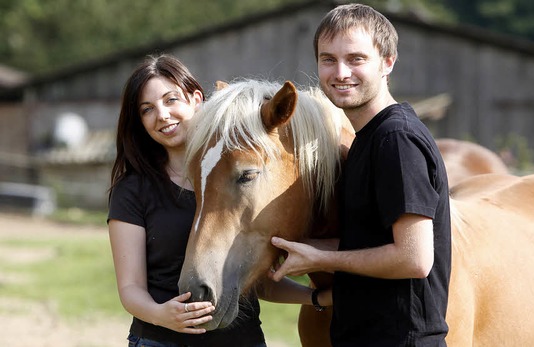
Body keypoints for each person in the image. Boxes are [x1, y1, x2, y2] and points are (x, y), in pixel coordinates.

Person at [108, 54, 328, 347]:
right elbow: (130, 288)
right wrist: (163, 315)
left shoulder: (231, 179)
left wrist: (317, 297)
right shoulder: (133, 190)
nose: (162, 114)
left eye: (171, 100)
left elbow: (254, 278)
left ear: (196, 100)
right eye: (147, 109)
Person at [270, 4, 451, 346]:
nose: (340, 72)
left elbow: (414, 258)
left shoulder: (396, 139)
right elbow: (370, 243)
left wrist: (322, 259)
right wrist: (298, 247)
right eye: (328, 59)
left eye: (356, 59)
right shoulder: (367, 140)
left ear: (387, 63)